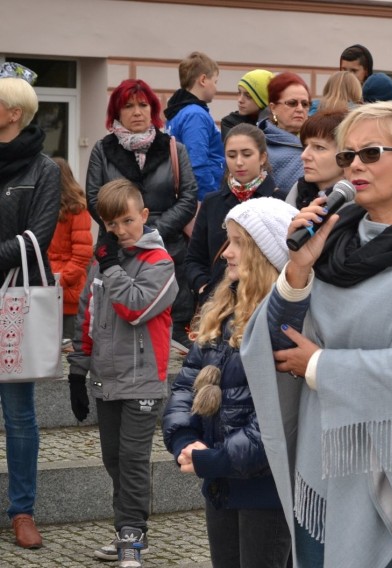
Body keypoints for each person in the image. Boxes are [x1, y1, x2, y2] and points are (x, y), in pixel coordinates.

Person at [242, 101, 392, 567]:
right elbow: (273, 347)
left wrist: (320, 366)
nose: (355, 165)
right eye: (347, 155)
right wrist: (297, 272)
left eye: (371, 153)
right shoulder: (330, 245)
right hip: (329, 467)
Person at [163, 197, 299, 568]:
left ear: (263, 253)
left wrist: (216, 458)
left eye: (238, 242)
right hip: (221, 483)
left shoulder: (282, 322)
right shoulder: (223, 310)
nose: (226, 253)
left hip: (264, 490)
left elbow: (274, 419)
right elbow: (186, 386)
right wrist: (184, 437)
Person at [67, 179, 178, 567]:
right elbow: (87, 314)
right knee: (113, 459)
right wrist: (77, 372)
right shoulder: (103, 260)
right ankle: (123, 531)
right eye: (112, 224)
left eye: (128, 221)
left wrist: (111, 265)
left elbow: (134, 307)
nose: (120, 231)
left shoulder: (160, 262)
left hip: (143, 380)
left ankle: (133, 535)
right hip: (105, 378)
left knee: (132, 459)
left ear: (144, 216)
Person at [85, 78, 198, 352]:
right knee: (117, 323)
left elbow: (188, 196)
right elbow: (92, 197)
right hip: (116, 248)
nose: (137, 111)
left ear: (153, 110)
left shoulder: (173, 147)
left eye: (143, 105)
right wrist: (125, 228)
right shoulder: (103, 149)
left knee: (167, 333)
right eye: (128, 106)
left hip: (167, 246)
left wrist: (153, 229)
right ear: (116, 113)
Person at [0, 62, 61, 550]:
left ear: (14, 111)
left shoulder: (44, 170)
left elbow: (36, 240)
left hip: (15, 301)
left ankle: (22, 511)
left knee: (19, 414)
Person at [186, 124, 289, 306]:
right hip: (217, 304)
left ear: (263, 157)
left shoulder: (281, 200)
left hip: (263, 302)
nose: (239, 162)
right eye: (231, 155)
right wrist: (203, 287)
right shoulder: (212, 202)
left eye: (247, 154)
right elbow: (195, 258)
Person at [164, 51, 225, 202]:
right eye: (215, 81)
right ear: (203, 80)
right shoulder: (195, 115)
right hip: (202, 197)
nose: (216, 88)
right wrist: (211, 201)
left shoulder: (177, 112)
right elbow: (197, 164)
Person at [47, 157, 93, 344]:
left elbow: (82, 255)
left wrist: (60, 280)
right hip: (48, 288)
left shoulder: (77, 210)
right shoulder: (44, 208)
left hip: (66, 289)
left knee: (69, 347)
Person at [285, 110, 346, 210]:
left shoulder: (359, 205)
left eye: (319, 147)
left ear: (346, 155)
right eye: (305, 146)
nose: (304, 155)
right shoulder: (299, 190)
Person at [259, 72, 308, 195]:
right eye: (292, 103)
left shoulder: (320, 139)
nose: (300, 109)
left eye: (305, 104)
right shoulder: (257, 144)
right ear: (273, 108)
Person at [220, 69, 274, 141]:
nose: (240, 100)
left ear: (264, 99)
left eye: (248, 96)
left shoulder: (278, 122)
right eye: (239, 92)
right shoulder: (229, 123)